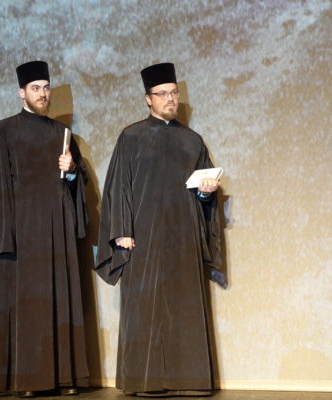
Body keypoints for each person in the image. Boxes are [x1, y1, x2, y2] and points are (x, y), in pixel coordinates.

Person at [95, 62, 224, 397]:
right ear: (148, 99)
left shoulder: (192, 141)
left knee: (184, 308)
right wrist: (121, 232)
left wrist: (207, 192)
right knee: (145, 310)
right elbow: (118, 188)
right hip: (144, 237)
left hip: (183, 238)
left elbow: (204, 192)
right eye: (162, 93)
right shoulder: (131, 137)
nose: (170, 99)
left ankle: (189, 381)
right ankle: (147, 382)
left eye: (174, 93)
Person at [0, 61, 89, 398]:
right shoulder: (5, 130)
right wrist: (7, 235)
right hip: (23, 232)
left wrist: (72, 169)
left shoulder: (61, 133)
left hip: (57, 230)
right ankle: (27, 380)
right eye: (36, 88)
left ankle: (64, 376)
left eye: (46, 87)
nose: (43, 94)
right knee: (27, 305)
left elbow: (78, 183)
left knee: (59, 300)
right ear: (21, 92)